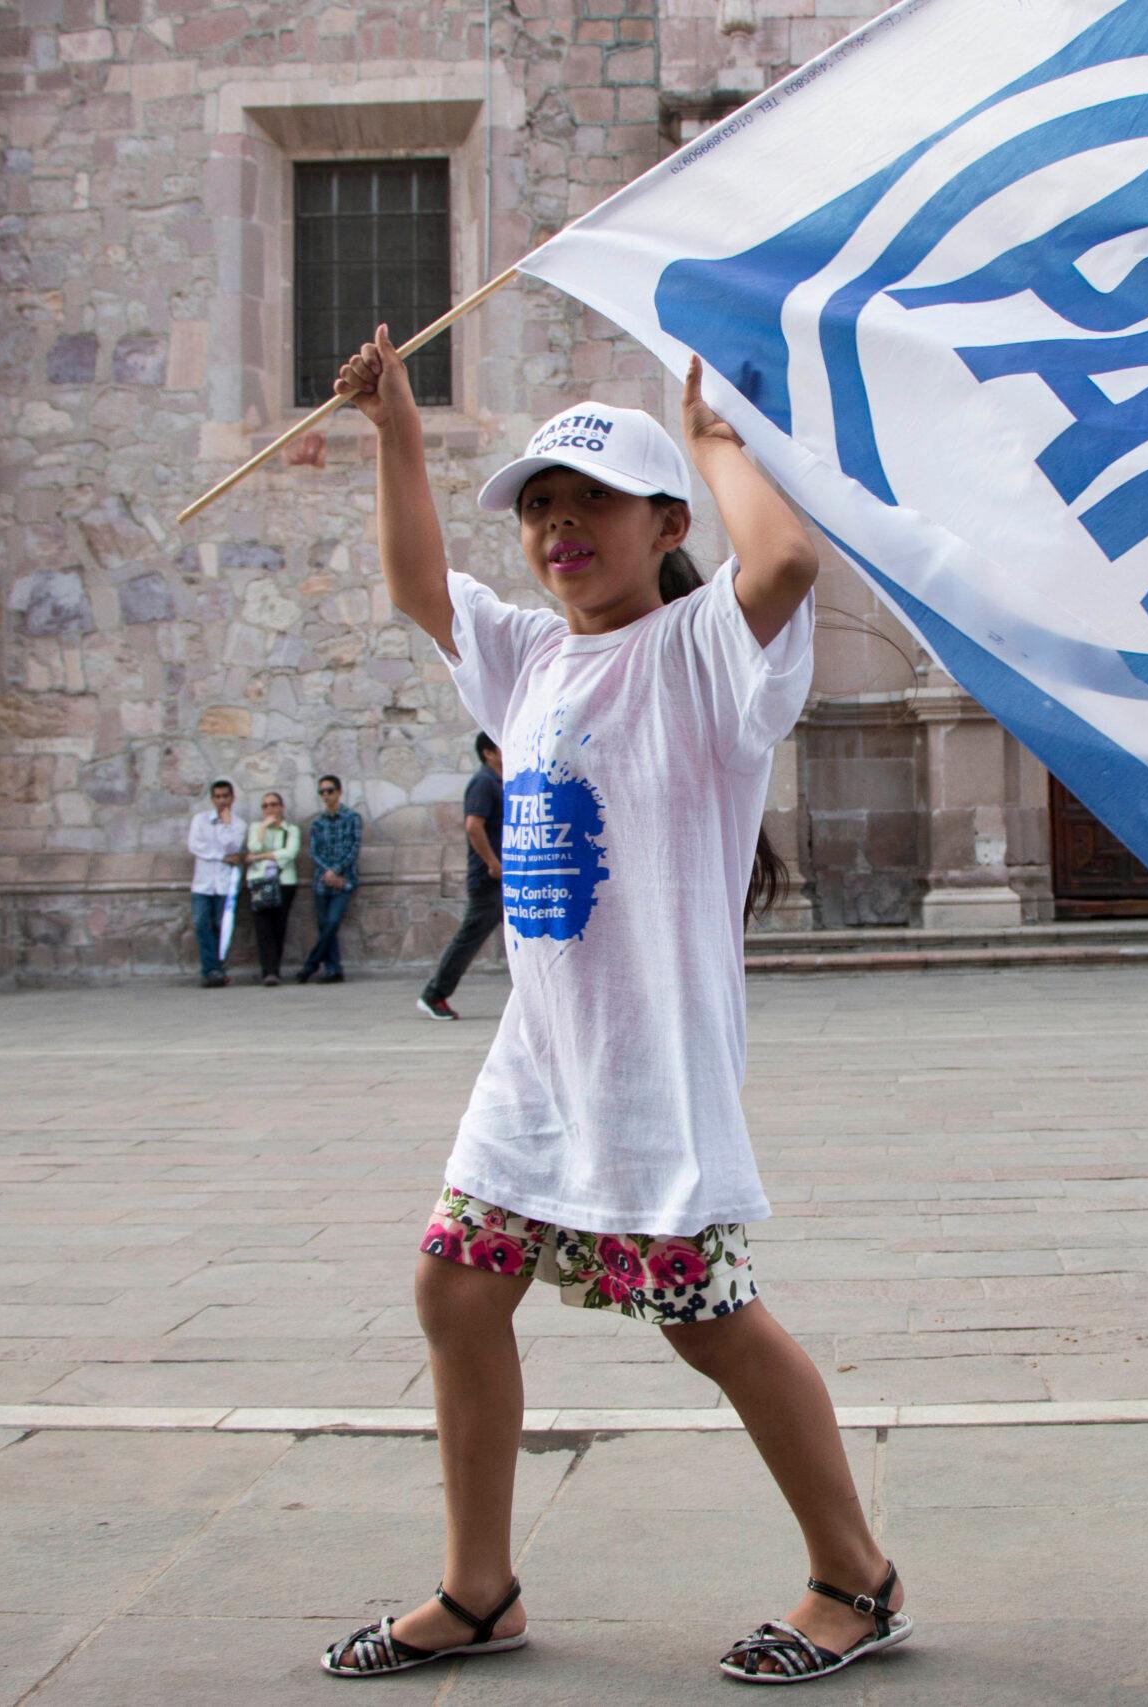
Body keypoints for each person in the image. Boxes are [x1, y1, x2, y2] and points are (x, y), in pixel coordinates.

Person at [323, 333, 902, 1687]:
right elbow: (420, 585)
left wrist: (715, 441)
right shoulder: (529, 659)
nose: (559, 525)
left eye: (592, 500)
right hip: (539, 1062)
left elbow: (786, 565)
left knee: (706, 1319)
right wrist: (396, 428)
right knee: (455, 1285)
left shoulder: (703, 653)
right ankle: (479, 1589)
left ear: (666, 528)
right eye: (538, 504)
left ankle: (855, 1577)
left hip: (651, 1066)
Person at [416, 734, 504, 1021]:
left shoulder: (499, 782)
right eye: (501, 745)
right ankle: (434, 994)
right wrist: (492, 862)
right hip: (489, 878)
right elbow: (473, 826)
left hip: (504, 877)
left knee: (528, 936)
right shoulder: (483, 783)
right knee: (470, 938)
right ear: (488, 752)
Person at [297, 774, 363, 984]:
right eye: (322, 792)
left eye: (330, 791)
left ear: (339, 792)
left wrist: (336, 871)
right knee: (325, 925)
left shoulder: (352, 818)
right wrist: (328, 872)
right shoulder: (318, 822)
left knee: (332, 922)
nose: (326, 795)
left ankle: (310, 965)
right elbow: (314, 851)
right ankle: (333, 969)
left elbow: (354, 847)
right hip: (322, 881)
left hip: (344, 880)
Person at [185, 780, 248, 987]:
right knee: (202, 924)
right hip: (202, 884)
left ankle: (217, 969)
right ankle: (211, 970)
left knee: (222, 927)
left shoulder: (239, 825)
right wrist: (221, 856)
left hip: (225, 884)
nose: (222, 801)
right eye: (218, 797)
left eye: (225, 796)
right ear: (212, 799)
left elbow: (233, 848)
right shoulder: (200, 820)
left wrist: (226, 825)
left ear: (232, 798)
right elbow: (195, 846)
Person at [244, 789, 302, 986]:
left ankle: (273, 969)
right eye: (265, 806)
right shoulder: (255, 827)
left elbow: (290, 853)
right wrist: (263, 828)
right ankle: (268, 971)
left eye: (273, 804)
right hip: (260, 881)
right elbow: (253, 847)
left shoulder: (291, 830)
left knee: (279, 925)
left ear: (282, 807)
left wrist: (259, 857)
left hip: (284, 882)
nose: (269, 809)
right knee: (263, 927)